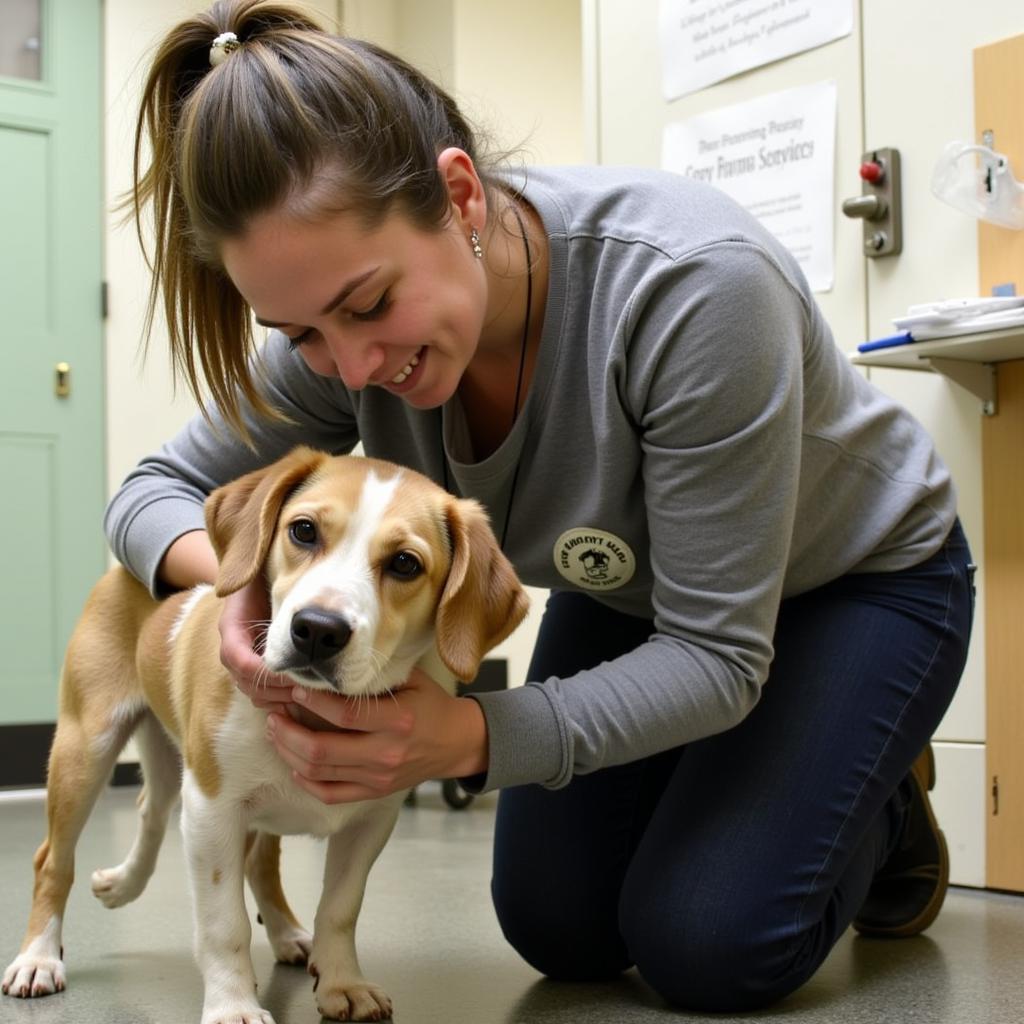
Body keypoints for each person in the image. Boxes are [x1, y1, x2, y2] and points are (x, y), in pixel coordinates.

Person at [107, 0, 975, 1012]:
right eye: (299, 331)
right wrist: (247, 589)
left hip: (857, 584)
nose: (351, 367)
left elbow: (718, 654)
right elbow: (149, 494)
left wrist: (464, 736)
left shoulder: (694, 289)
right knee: (560, 927)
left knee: (708, 944)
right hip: (640, 593)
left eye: (367, 306)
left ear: (460, 195)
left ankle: (875, 794)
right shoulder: (338, 327)